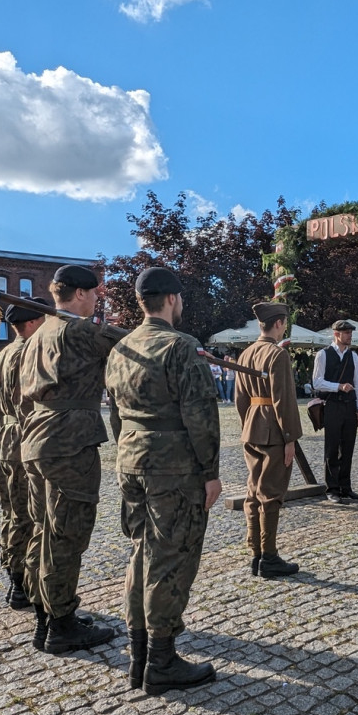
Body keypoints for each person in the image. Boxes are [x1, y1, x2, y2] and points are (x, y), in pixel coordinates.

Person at [105, 266, 221, 693]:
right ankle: (162, 660)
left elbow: (116, 413)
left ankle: (140, 655)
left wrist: (130, 451)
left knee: (141, 552)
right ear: (171, 299)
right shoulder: (181, 346)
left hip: (130, 461)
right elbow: (201, 416)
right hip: (174, 467)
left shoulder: (121, 348)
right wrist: (210, 471)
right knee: (171, 557)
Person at [20, 264, 118, 654]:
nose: (96, 300)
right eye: (94, 294)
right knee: (67, 534)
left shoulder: (38, 334)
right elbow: (133, 345)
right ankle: (60, 625)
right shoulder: (78, 331)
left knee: (44, 531)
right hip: (69, 442)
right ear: (79, 294)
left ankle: (46, 616)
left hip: (38, 437)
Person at [236, 302, 304, 578]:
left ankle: (255, 554)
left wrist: (248, 424)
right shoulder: (277, 355)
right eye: (285, 323)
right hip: (274, 431)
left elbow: (240, 398)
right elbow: (283, 400)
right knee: (271, 495)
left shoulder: (246, 353)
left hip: (252, 425)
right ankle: (269, 556)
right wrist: (290, 437)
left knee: (253, 493)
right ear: (278, 323)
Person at [0, 297, 48, 611]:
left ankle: (19, 580)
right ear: (30, 324)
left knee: (12, 513)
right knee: (24, 516)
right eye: (44, 321)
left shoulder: (4, 354)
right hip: (24, 441)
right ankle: (20, 585)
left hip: (7, 439)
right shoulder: (27, 352)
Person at [312, 319, 358, 504]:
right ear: (336, 334)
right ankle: (332, 488)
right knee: (332, 448)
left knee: (348, 448)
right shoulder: (323, 354)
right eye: (347, 333)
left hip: (349, 406)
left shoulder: (353, 356)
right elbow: (317, 382)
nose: (350, 336)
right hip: (332, 405)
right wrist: (338, 386)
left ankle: (345, 487)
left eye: (351, 333)